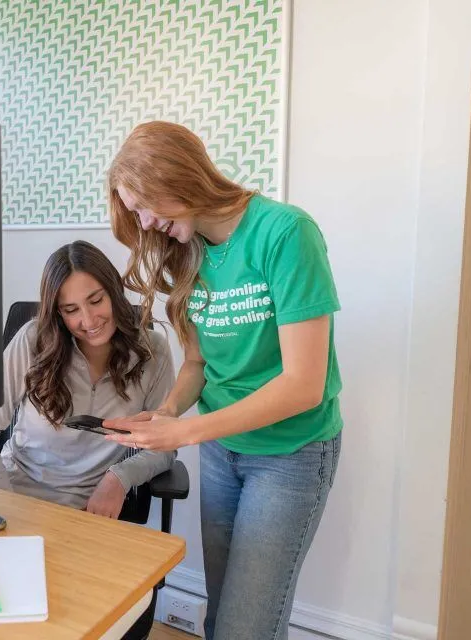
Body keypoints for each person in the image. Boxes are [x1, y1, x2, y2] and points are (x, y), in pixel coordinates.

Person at [103, 121, 343, 640]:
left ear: (175, 175)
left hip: (289, 455)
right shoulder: (191, 253)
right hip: (221, 453)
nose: (145, 223)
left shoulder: (285, 233)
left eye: (144, 205)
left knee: (247, 627)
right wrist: (166, 414)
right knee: (221, 618)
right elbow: (197, 364)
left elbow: (306, 383)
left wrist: (184, 434)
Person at [0, 240, 175, 518]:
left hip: (84, 513)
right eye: (71, 309)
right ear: (58, 313)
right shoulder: (32, 340)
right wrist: (4, 508)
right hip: (10, 495)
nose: (88, 320)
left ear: (113, 291)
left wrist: (118, 479)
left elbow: (165, 444)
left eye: (96, 300)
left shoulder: (152, 351)